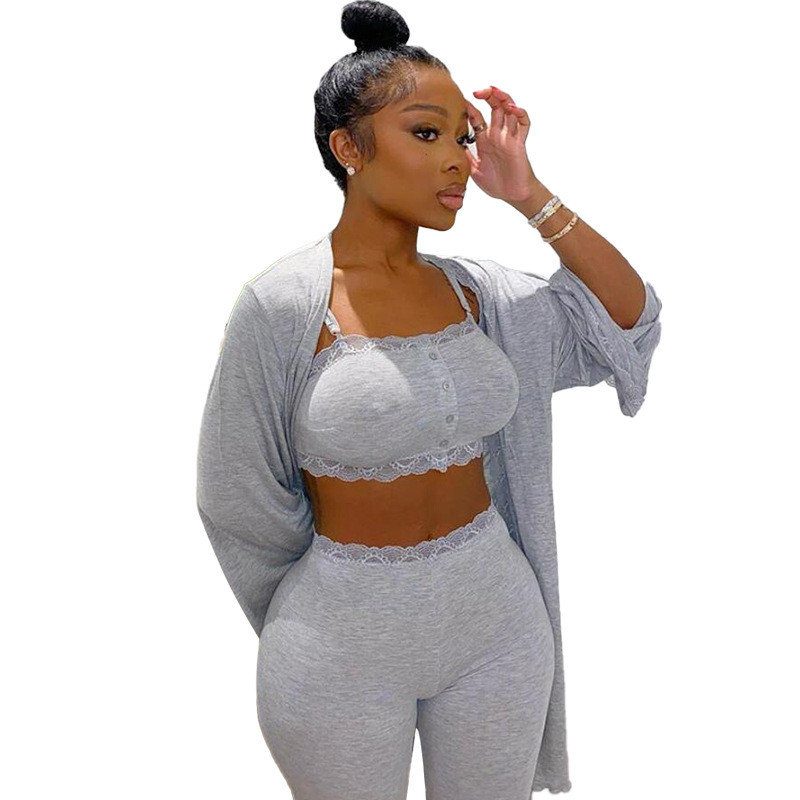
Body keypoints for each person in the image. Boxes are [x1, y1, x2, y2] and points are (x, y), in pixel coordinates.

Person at [195, 2, 663, 798]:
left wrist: (530, 195)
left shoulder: (480, 295)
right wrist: (317, 605)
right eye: (426, 133)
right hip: (340, 642)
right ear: (348, 148)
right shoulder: (282, 307)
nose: (456, 160)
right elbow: (233, 490)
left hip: (498, 623)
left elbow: (625, 319)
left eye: (463, 137)